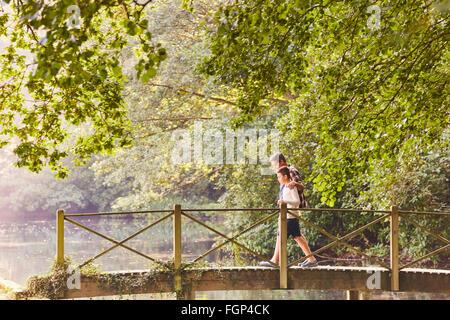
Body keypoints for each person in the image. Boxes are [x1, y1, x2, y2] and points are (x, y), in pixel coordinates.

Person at [260, 154, 317, 268]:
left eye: (274, 164)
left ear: (280, 162)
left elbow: (300, 187)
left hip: (290, 211)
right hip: (287, 211)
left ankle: (274, 261)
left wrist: (294, 185)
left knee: (281, 235)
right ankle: (311, 259)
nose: (274, 167)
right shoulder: (283, 173)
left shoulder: (291, 171)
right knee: (297, 236)